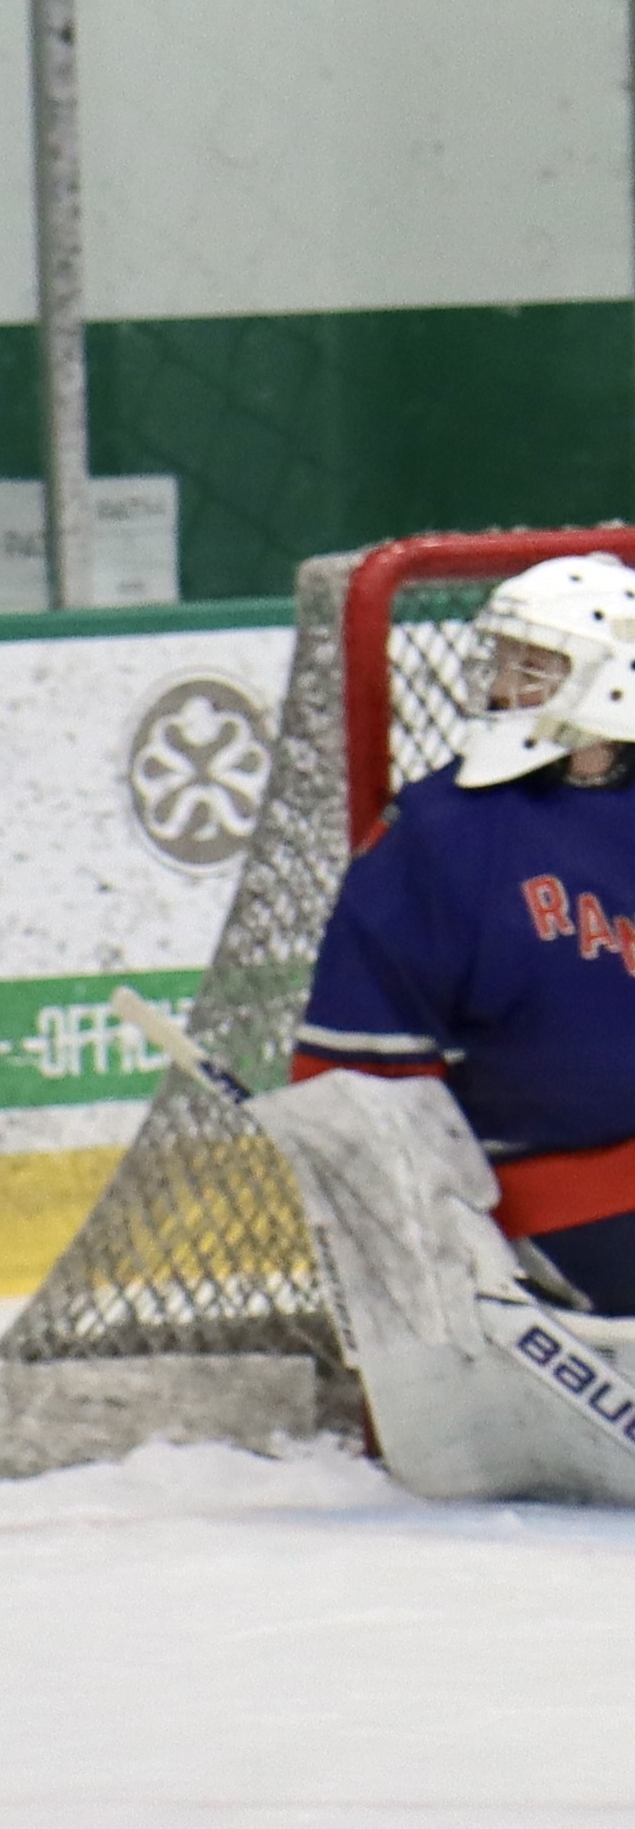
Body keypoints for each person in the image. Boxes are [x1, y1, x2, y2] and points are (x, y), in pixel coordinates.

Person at [276, 549, 635, 1501]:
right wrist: (432, 1219)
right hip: (558, 1192)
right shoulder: (444, 833)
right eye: (501, 660)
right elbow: (349, 1076)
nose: (502, 688)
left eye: (535, 666)